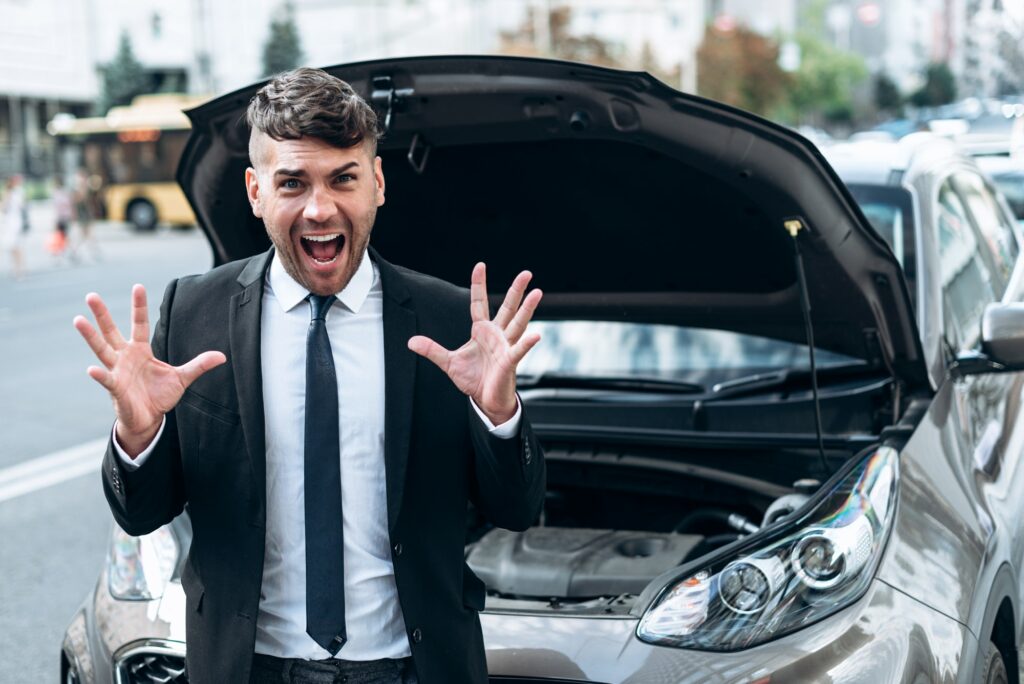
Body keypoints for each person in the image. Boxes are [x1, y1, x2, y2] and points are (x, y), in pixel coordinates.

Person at [74, 68, 546, 684]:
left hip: (414, 667)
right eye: (292, 182)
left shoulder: (450, 320)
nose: (319, 208)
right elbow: (143, 515)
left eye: (343, 179)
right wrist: (138, 438)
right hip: (250, 668)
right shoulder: (193, 314)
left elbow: (515, 508)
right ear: (255, 191)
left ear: (376, 183)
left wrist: (499, 415)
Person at [1, 174, 26, 279]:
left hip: (14, 222)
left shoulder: (16, 192)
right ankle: (17, 268)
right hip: (11, 222)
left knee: (15, 246)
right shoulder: (13, 192)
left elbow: (4, 208)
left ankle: (19, 269)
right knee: (13, 246)